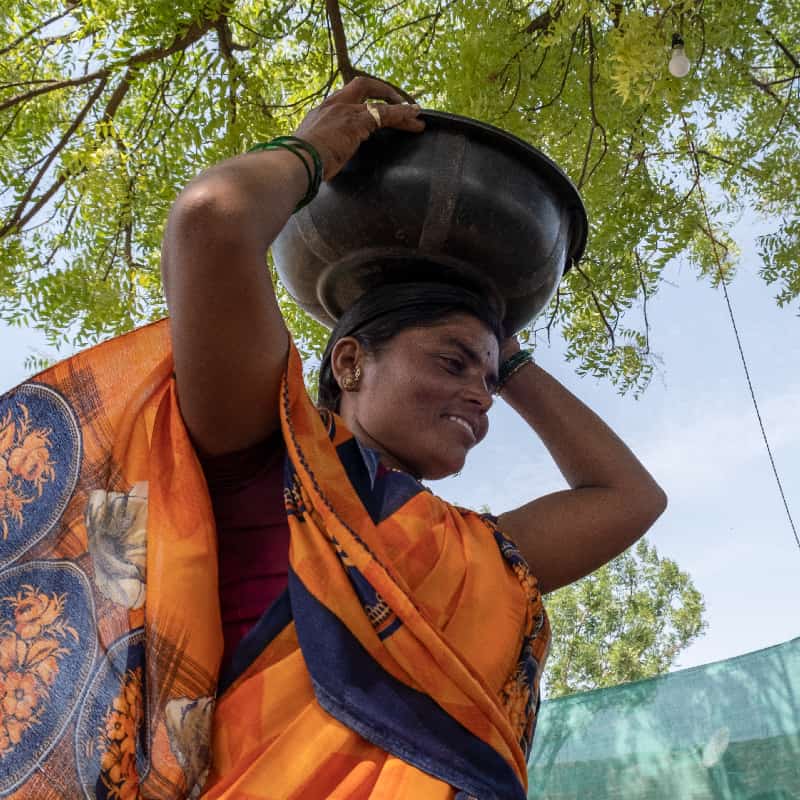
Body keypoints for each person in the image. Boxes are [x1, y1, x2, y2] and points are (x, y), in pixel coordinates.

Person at [0, 77, 664, 799]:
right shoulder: (262, 458)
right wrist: (316, 148)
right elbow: (213, 223)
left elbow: (630, 497)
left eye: (491, 380)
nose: (482, 395)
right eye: (451, 363)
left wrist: (502, 346)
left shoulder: (476, 553)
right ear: (349, 361)